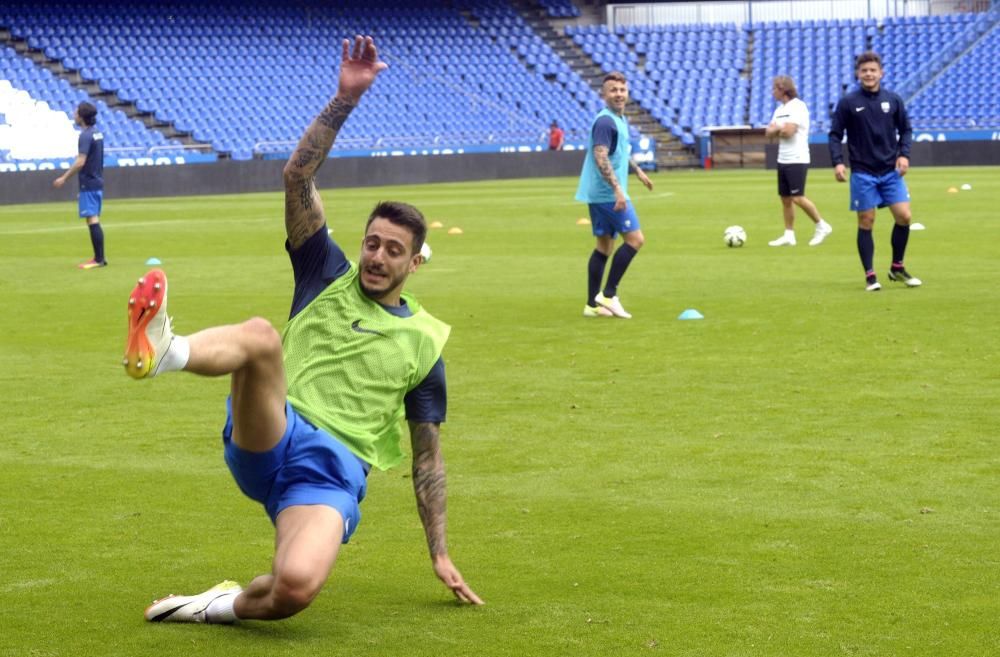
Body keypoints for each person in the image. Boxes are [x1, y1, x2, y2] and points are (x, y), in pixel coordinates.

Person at [127, 36, 483, 625]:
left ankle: (213, 607)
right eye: (372, 242)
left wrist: (440, 552)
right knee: (262, 336)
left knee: (292, 589)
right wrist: (346, 98)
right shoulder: (325, 271)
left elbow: (428, 459)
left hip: (330, 474)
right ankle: (166, 347)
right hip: (272, 429)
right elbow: (298, 177)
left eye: (393, 251)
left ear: (415, 263)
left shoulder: (426, 343)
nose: (376, 257)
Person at [829, 51, 921, 291]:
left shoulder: (893, 100)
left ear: (881, 73)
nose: (869, 74)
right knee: (866, 221)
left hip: (891, 170)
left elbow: (907, 130)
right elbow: (835, 134)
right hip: (863, 171)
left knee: (904, 216)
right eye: (864, 71)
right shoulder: (848, 102)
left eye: (873, 70)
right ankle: (870, 275)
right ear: (858, 75)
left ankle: (897, 268)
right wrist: (838, 161)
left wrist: (904, 154)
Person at [575, 71, 653, 319]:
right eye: (613, 90)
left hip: (600, 194)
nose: (618, 94)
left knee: (604, 246)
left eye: (622, 90)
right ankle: (608, 294)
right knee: (635, 240)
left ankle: (592, 305)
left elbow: (617, 151)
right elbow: (601, 156)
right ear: (604, 94)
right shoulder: (605, 121)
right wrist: (619, 190)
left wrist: (637, 170)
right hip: (607, 194)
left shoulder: (618, 120)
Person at [764, 76, 832, 247]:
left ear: (782, 89)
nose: (772, 92)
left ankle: (821, 225)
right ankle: (789, 234)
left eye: (774, 88)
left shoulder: (798, 106)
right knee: (785, 198)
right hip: (783, 158)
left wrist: (777, 129)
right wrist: (780, 128)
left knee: (798, 197)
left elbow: (789, 132)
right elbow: (768, 133)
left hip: (797, 158)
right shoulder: (779, 110)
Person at [53, 101, 107, 269]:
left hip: (89, 183)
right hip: (97, 180)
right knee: (92, 219)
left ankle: (99, 259)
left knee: (92, 219)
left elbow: (80, 162)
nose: (74, 115)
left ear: (82, 117)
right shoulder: (97, 133)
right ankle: (99, 257)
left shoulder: (85, 136)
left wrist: (64, 177)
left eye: (76, 113)